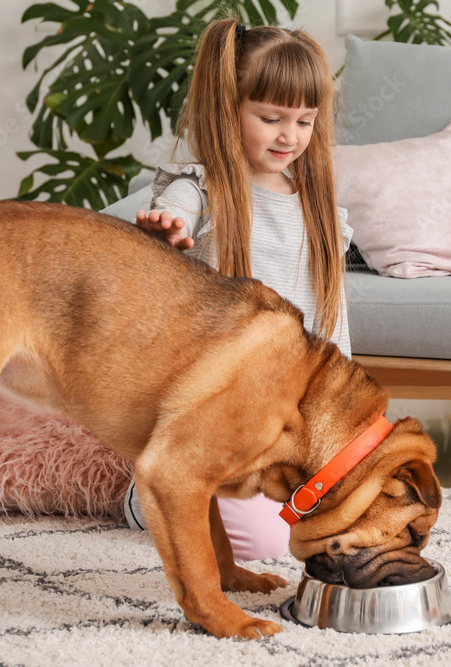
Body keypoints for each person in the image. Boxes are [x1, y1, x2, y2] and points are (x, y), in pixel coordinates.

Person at [123, 19, 352, 561]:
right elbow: (169, 218)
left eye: (304, 120)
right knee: (266, 545)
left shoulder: (320, 211)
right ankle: (143, 495)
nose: (289, 136)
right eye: (270, 118)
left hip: (290, 424)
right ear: (229, 108)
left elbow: (333, 329)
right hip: (215, 418)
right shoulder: (199, 189)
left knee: (344, 507)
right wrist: (163, 231)